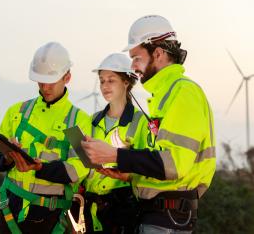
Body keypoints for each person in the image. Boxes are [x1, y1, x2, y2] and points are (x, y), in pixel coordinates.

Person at [82, 15, 216, 233]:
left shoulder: (183, 92)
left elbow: (174, 164)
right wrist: (130, 174)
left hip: (168, 218)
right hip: (156, 216)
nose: (133, 66)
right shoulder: (162, 97)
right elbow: (159, 160)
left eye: (136, 58)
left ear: (159, 53)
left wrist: (114, 155)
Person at [0, 42, 91, 234]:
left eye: (51, 81)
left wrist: (41, 168)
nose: (45, 87)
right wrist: (7, 157)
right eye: (40, 81)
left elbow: (80, 168)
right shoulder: (17, 112)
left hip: (51, 214)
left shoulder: (78, 121)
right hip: (11, 208)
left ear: (67, 77)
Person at [82, 53, 149, 233]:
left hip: (123, 213)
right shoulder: (92, 121)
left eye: (111, 80)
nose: (104, 86)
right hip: (90, 210)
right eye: (102, 81)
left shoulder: (141, 122)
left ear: (126, 82)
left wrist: (127, 173)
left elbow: (149, 168)